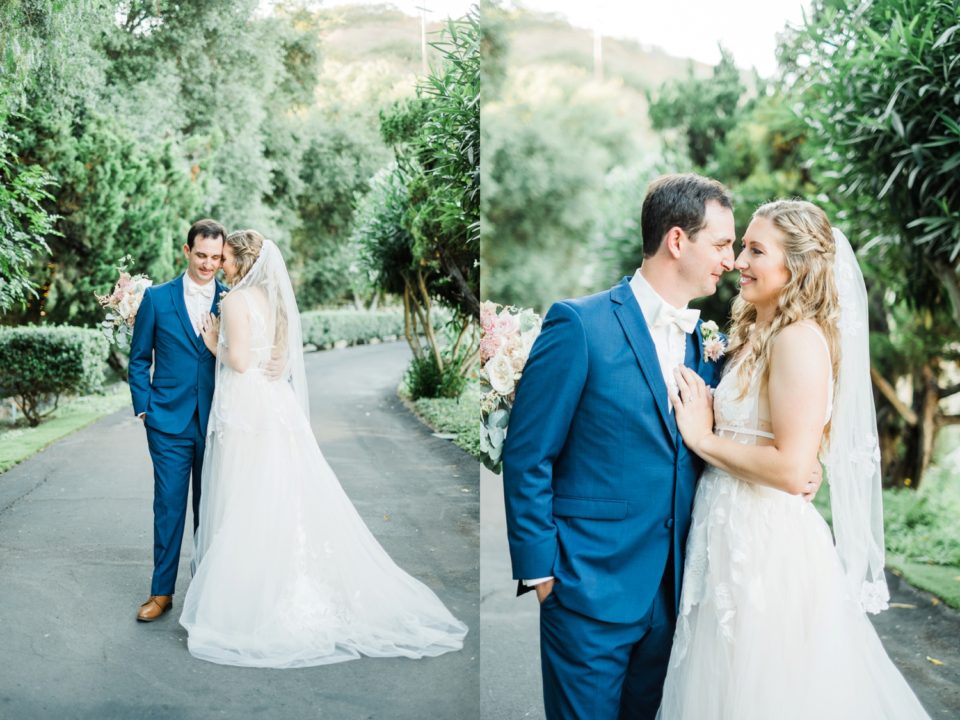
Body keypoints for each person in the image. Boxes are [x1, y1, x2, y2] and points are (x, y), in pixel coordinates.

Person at [503, 174, 822, 720]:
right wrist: (543, 576)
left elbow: (766, 421)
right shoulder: (579, 325)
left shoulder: (711, 344)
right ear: (678, 241)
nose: (732, 260)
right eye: (723, 244)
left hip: (681, 598)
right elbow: (528, 454)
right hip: (587, 594)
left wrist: (801, 462)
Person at [659, 200, 930, 719]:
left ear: (797, 267)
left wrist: (703, 438)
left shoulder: (798, 340)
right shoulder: (757, 334)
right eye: (742, 246)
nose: (739, 260)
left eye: (756, 250)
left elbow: (788, 468)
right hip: (726, 533)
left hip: (765, 550)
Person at [178, 229, 467, 668]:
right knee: (281, 493)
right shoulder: (272, 300)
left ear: (241, 261)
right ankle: (290, 583)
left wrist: (213, 340)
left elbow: (238, 361)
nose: (221, 265)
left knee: (246, 496)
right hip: (275, 402)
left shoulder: (235, 301)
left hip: (248, 406)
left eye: (227, 259)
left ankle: (251, 599)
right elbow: (280, 353)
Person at [129, 219, 229, 622]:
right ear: (187, 252)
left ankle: (207, 592)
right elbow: (139, 360)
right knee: (169, 507)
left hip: (217, 423)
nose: (207, 265)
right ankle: (161, 592)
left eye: (216, 258)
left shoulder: (232, 299)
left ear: (223, 258)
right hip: (166, 423)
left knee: (213, 509)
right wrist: (144, 409)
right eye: (201, 255)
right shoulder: (156, 298)